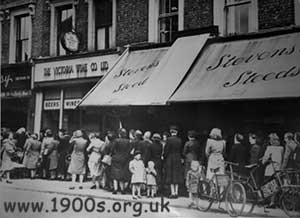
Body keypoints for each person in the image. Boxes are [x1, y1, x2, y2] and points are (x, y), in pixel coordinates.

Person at [262, 133, 284, 208]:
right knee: (276, 185)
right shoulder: (281, 148)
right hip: (278, 169)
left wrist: (263, 161)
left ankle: (269, 202)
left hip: (270, 170)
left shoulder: (269, 148)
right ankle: (274, 202)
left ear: (271, 141)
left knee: (268, 185)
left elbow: (264, 160)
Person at [164, 125, 184, 199]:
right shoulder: (179, 140)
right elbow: (181, 150)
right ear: (177, 132)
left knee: (171, 175)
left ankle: (172, 193)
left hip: (170, 158)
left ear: (171, 132)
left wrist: (164, 156)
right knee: (176, 176)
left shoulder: (169, 140)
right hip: (177, 158)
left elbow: (166, 150)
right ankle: (176, 192)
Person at [110, 128, 131, 194]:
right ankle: (122, 189)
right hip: (124, 159)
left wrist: (114, 154)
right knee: (122, 174)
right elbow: (129, 151)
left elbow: (112, 149)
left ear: (119, 134)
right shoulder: (128, 141)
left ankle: (115, 189)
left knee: (115, 173)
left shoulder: (116, 140)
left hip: (116, 158)